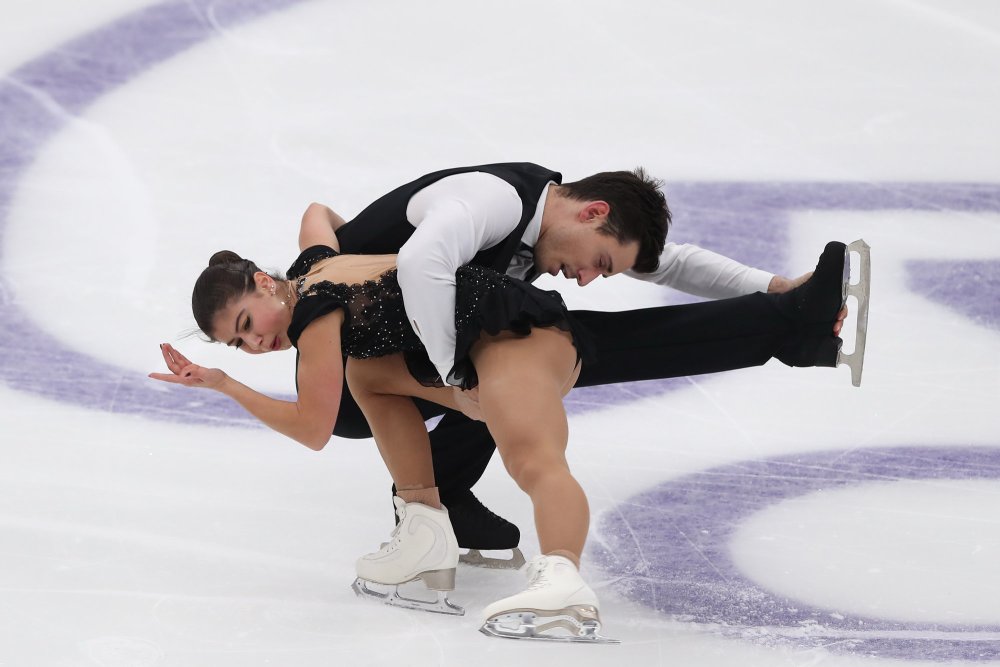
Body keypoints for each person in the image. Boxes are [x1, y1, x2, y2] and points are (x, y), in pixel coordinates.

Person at [150, 194, 857, 641]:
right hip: (479, 347)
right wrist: (354, 255)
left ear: (264, 282)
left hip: (508, 336)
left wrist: (222, 383)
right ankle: (426, 526)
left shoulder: (316, 319)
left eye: (247, 322)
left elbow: (312, 426)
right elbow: (316, 209)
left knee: (532, 458)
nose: (255, 343)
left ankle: (565, 580)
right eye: (238, 343)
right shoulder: (314, 268)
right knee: (373, 375)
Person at [321, 162, 854, 567]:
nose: (585, 278)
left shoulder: (549, 220)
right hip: (349, 369)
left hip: (382, 355)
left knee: (529, 352)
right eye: (600, 263)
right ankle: (792, 329)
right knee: (554, 345)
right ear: (594, 211)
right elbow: (422, 262)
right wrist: (453, 372)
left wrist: (775, 285)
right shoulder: (495, 199)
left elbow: (675, 262)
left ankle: (444, 494)